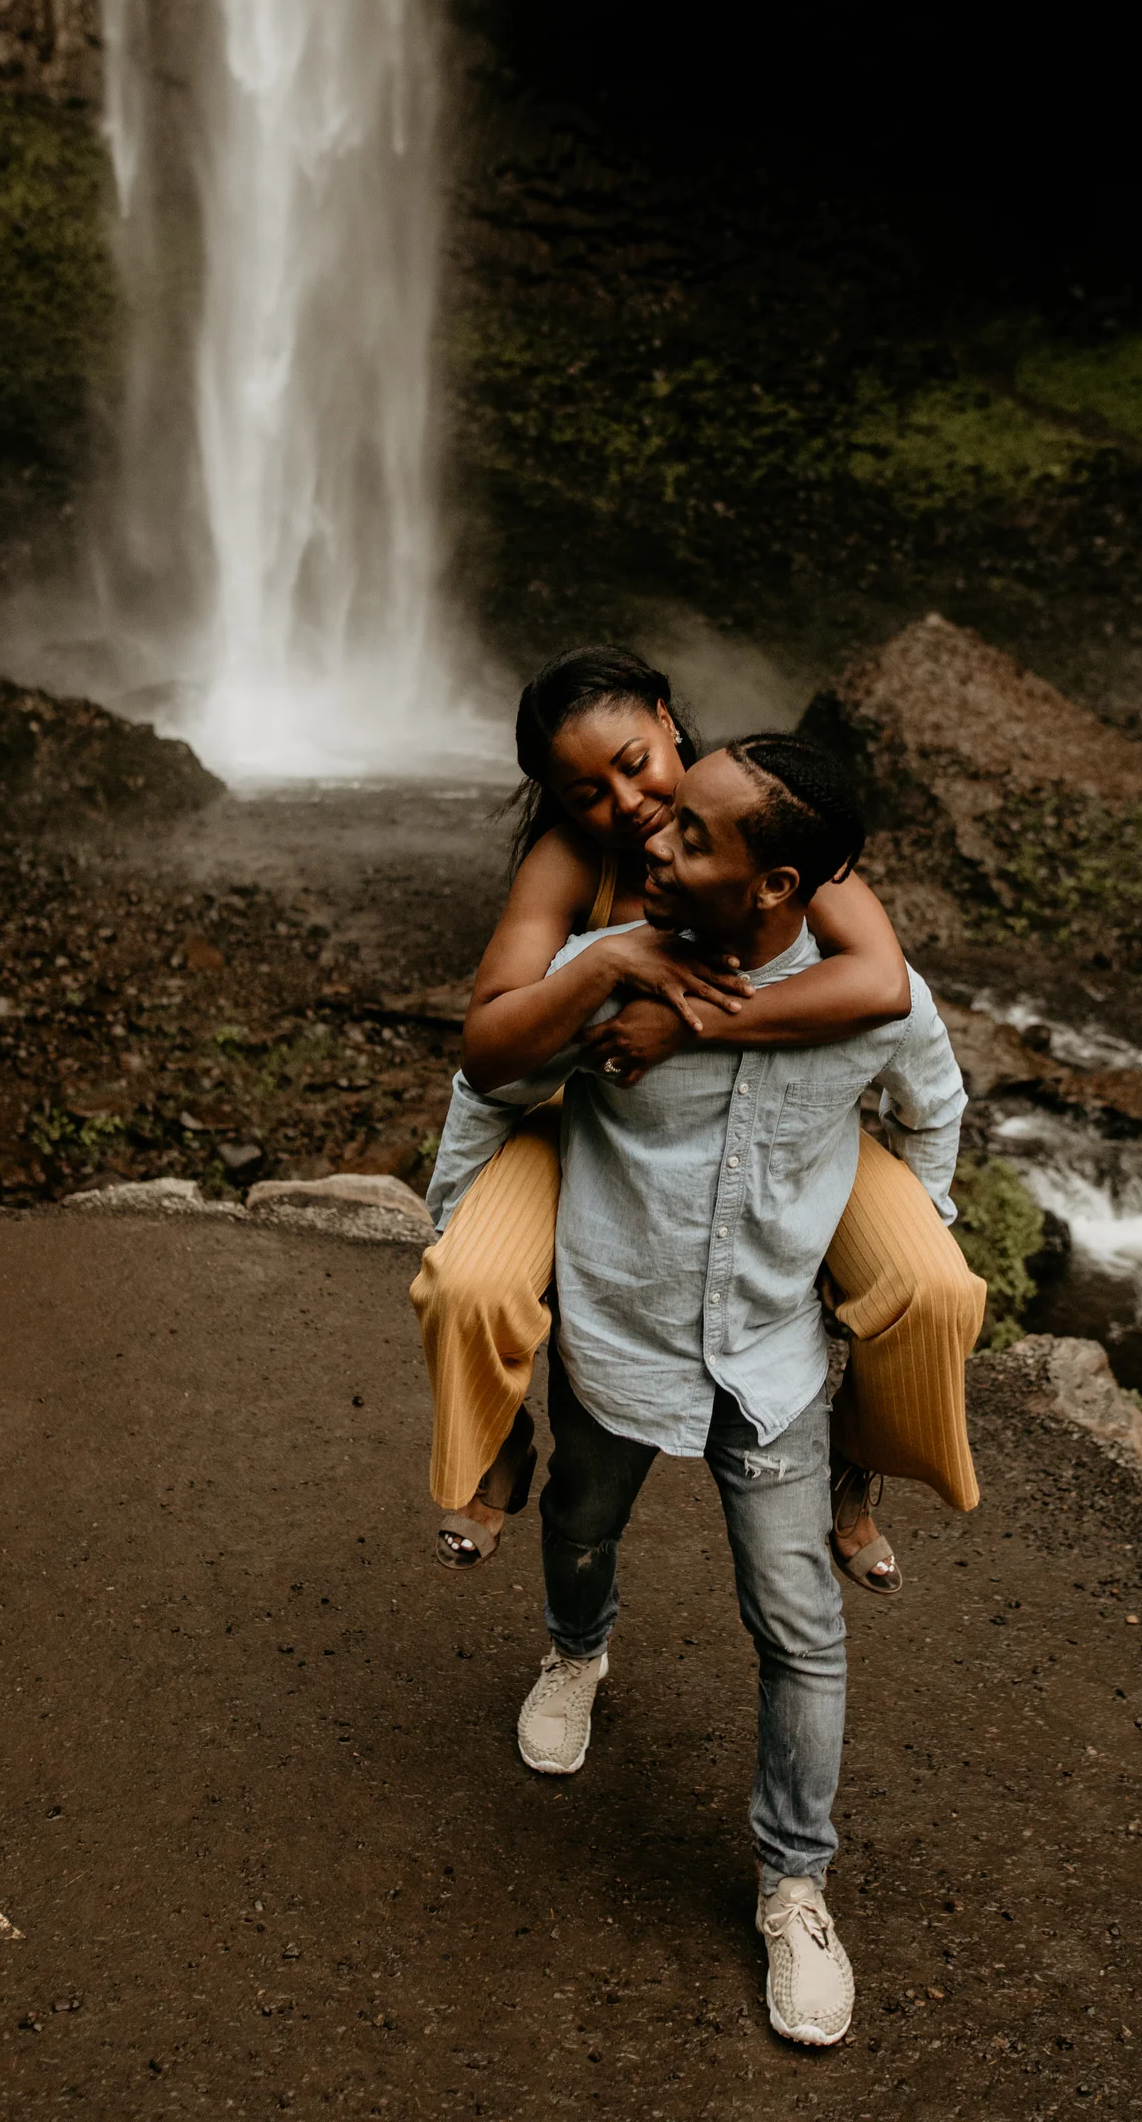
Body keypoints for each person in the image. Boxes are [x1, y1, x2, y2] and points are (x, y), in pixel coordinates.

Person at [423, 733, 976, 2047]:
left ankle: (795, 1884)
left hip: (771, 1360)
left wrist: (894, 1239)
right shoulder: (601, 969)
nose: (652, 841)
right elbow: (488, 1089)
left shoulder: (873, 1000)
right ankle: (577, 1651)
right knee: (579, 1524)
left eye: (689, 835)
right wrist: (466, 1245)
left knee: (800, 1627)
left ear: (776, 885)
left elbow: (933, 1105)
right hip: (622, 1332)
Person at [409, 646, 984, 1589]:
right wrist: (609, 962)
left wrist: (687, 1023)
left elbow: (884, 984)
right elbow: (490, 1047)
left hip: (786, 1118)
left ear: (669, 721)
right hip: (592, 1109)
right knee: (467, 1285)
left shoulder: (762, 818)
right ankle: (499, 1441)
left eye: (636, 765)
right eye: (587, 794)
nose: (628, 806)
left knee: (936, 1289)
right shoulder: (569, 862)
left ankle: (856, 1461)